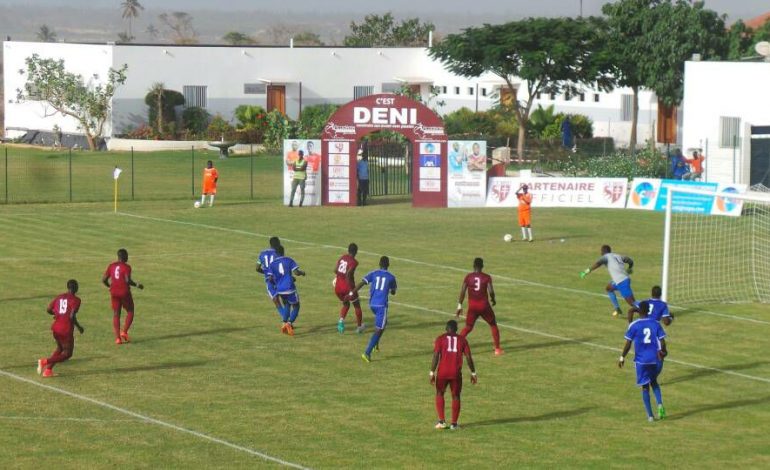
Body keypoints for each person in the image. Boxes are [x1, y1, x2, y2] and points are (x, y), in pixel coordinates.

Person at [619, 301, 668, 422]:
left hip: (641, 361)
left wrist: (622, 357)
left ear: (639, 311)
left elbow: (628, 344)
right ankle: (660, 404)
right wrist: (663, 352)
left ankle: (650, 416)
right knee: (654, 382)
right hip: (654, 359)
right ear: (648, 311)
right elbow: (662, 341)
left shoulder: (634, 325)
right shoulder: (655, 324)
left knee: (645, 387)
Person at [430, 319, 477, 430]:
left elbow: (436, 356)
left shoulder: (440, 339)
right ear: (456, 330)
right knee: (456, 396)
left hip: (442, 373)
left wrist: (432, 372)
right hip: (455, 373)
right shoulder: (463, 340)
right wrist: (473, 372)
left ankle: (441, 421)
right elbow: (469, 357)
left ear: (446, 329)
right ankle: (454, 424)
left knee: (439, 393)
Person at [351, 256, 397, 362]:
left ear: (379, 264)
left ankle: (376, 344)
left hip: (372, 304)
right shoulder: (391, 277)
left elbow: (362, 282)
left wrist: (352, 292)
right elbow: (393, 291)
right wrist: (391, 290)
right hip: (381, 306)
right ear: (388, 265)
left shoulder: (374, 273)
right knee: (379, 329)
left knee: (383, 324)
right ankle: (367, 353)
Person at [456, 257, 503, 356]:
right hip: (484, 306)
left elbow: (463, 291)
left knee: (468, 327)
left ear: (473, 266)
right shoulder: (486, 277)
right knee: (493, 324)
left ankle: (456, 346)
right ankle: (497, 349)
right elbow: (491, 291)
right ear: (482, 266)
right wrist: (493, 299)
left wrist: (459, 305)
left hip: (472, 307)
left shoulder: (468, 277)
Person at [37, 279, 84, 377]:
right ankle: (44, 361)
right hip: (65, 329)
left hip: (56, 328)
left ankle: (48, 371)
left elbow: (48, 309)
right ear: (76, 288)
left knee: (60, 348)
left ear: (68, 287)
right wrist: (79, 327)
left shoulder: (59, 297)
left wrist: (57, 314)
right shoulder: (76, 300)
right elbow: (71, 316)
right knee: (67, 354)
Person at [580, 245, 636, 317]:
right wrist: (629, 268)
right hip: (620, 280)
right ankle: (617, 309)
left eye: (601, 251)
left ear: (603, 251)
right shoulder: (617, 256)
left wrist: (586, 271)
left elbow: (598, 264)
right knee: (609, 288)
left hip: (622, 281)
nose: (601, 253)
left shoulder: (606, 257)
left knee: (632, 303)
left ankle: (649, 308)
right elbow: (629, 260)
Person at [102, 249, 144, 344]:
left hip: (114, 292)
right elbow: (127, 280)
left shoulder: (111, 266)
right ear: (124, 256)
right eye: (127, 255)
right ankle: (124, 332)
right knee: (130, 311)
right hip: (124, 292)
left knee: (116, 313)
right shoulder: (127, 267)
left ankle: (117, 338)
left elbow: (104, 279)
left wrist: (110, 286)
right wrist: (137, 285)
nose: (128, 257)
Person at [266, 245, 306, 335]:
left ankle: (284, 323)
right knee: (296, 306)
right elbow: (296, 272)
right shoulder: (288, 260)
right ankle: (289, 323)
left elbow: (270, 278)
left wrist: (276, 283)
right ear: (283, 252)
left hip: (280, 289)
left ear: (276, 253)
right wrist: (302, 273)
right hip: (290, 288)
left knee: (287, 304)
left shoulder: (272, 264)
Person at [334, 243, 365, 334]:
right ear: (356, 252)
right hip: (347, 287)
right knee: (356, 305)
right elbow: (348, 274)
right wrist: (351, 290)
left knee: (346, 304)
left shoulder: (343, 257)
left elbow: (335, 270)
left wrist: (339, 277)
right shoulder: (354, 262)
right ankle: (359, 327)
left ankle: (341, 322)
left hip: (338, 286)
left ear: (348, 250)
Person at [257, 236, 285, 319]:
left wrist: (265, 272)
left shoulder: (262, 253)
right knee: (285, 298)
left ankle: (286, 319)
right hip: (280, 279)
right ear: (278, 243)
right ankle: (287, 320)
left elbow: (257, 268)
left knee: (276, 300)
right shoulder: (279, 252)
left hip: (269, 280)